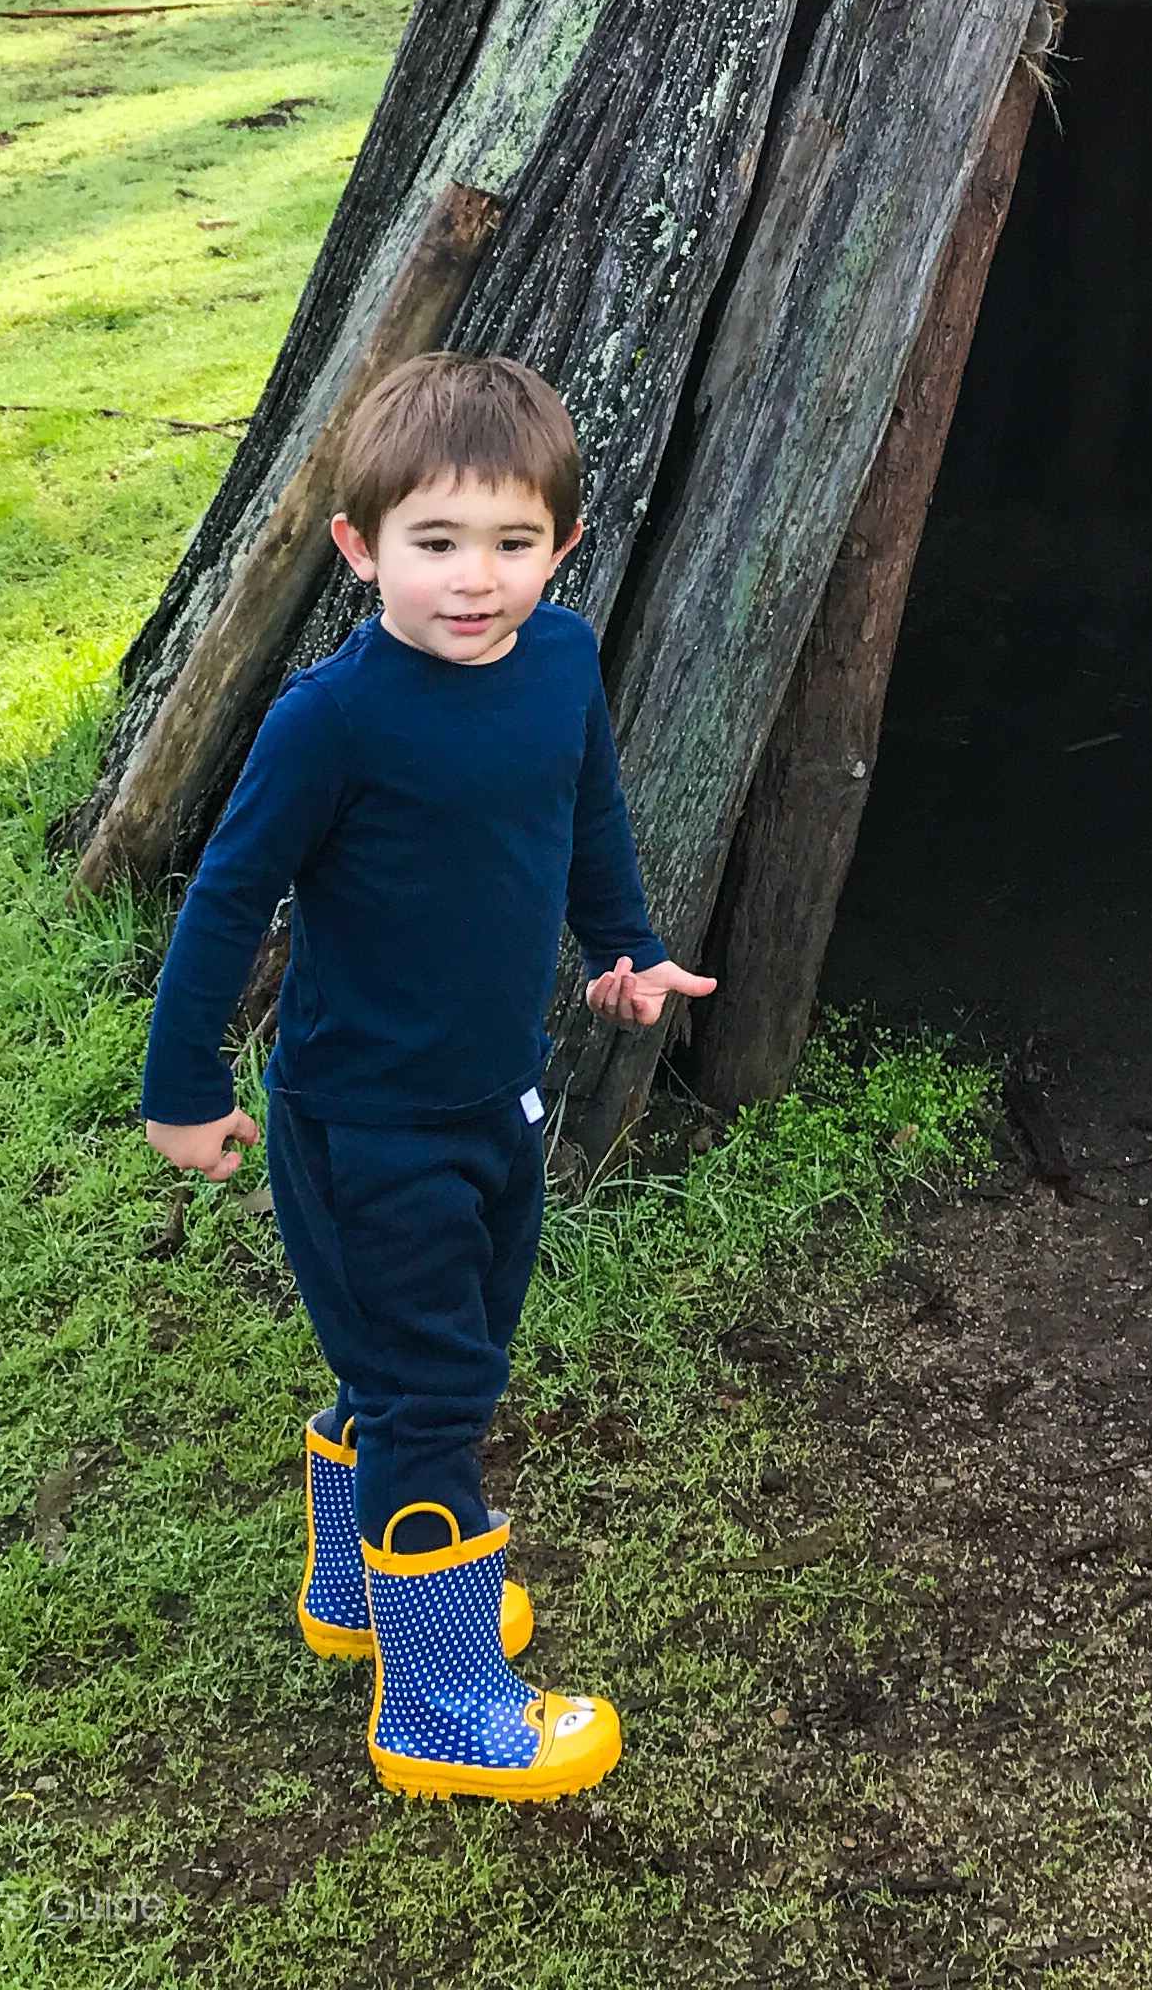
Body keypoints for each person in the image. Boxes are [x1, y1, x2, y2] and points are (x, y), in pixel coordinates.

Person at [137, 347, 715, 1803]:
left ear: (563, 545)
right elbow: (226, 896)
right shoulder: (332, 721)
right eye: (436, 543)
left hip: (495, 1103)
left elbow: (583, 807)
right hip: (368, 1128)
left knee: (407, 1373)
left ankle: (360, 1596)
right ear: (359, 548)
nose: (476, 579)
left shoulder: (564, 660)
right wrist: (184, 1084)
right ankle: (445, 1701)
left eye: (514, 543)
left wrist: (623, 945)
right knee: (440, 1392)